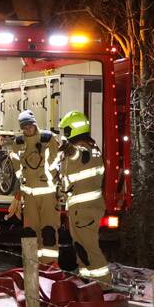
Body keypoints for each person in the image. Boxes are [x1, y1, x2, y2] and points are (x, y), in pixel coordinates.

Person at [56, 110, 112, 285]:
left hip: (83, 209)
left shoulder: (82, 150)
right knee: (81, 247)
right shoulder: (92, 148)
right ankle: (89, 280)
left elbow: (77, 155)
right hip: (85, 207)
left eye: (65, 131)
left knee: (88, 247)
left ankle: (104, 284)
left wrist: (69, 149)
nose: (63, 135)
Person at [7, 110, 61, 266]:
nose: (27, 130)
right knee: (31, 233)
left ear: (34, 124)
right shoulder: (18, 143)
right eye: (24, 127)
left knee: (49, 231)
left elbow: (55, 161)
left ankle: (50, 264)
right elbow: (17, 168)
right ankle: (33, 265)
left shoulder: (48, 139)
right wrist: (20, 188)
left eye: (29, 126)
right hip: (29, 196)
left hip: (48, 194)